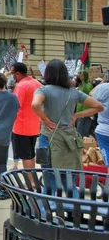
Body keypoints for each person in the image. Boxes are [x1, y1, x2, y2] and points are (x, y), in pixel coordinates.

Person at [32, 59, 103, 190]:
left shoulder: (43, 90)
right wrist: (76, 115)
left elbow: (35, 105)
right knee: (69, 182)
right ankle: (74, 209)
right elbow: (98, 107)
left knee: (49, 180)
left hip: (49, 137)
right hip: (69, 139)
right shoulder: (74, 92)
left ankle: (49, 208)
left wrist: (45, 119)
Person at [10, 62, 42, 172]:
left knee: (25, 157)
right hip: (35, 125)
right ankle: (32, 180)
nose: (12, 75)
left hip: (22, 127)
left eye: (12, 73)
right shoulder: (37, 83)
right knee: (30, 155)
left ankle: (31, 182)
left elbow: (15, 105)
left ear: (18, 74)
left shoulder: (21, 86)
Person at [92, 82, 109, 164]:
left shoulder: (102, 87)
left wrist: (102, 81)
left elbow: (90, 94)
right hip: (103, 131)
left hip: (103, 131)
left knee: (108, 159)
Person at [75, 70, 94, 137]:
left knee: (85, 131)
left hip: (87, 112)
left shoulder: (89, 85)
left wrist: (83, 82)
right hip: (79, 110)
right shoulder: (79, 85)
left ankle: (85, 144)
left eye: (82, 75)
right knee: (79, 130)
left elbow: (87, 92)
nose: (81, 76)